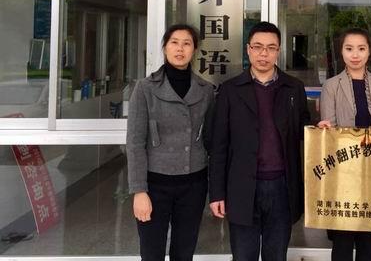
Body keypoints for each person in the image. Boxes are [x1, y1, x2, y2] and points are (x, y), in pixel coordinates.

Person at [207, 21, 311, 261]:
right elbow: (218, 146)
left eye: (271, 48)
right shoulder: (230, 90)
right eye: (258, 47)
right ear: (248, 49)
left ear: (278, 51)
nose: (264, 53)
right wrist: (216, 193)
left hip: (282, 187)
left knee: (277, 255)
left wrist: (320, 130)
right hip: (242, 187)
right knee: (244, 255)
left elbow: (303, 130)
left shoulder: (294, 88)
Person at [126, 24, 215, 261]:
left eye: (187, 43)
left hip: (193, 185)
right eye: (174, 42)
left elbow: (211, 140)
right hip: (155, 186)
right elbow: (135, 143)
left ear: (194, 50)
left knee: (184, 253)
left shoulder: (206, 90)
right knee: (151, 253)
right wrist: (139, 191)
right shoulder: (145, 88)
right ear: (165, 47)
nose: (180, 49)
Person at [317, 27, 371, 261]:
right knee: (342, 237)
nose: (355, 54)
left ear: (369, 52)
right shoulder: (331, 85)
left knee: (368, 239)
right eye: (349, 48)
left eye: (361, 48)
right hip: (342, 171)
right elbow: (330, 129)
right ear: (341, 52)